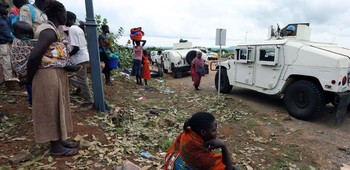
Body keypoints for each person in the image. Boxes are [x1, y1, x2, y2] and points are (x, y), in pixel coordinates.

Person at [26, 0, 78, 156]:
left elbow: (52, 55)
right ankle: (56, 147)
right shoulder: (48, 31)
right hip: (47, 76)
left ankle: (60, 139)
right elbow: (35, 56)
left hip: (54, 74)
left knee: (58, 107)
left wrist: (66, 66)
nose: (65, 16)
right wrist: (29, 79)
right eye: (64, 12)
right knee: (50, 109)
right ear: (58, 13)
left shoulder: (54, 30)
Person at [164, 112, 238, 170]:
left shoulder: (188, 133)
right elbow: (229, 168)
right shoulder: (203, 159)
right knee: (234, 168)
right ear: (203, 132)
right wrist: (223, 146)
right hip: (180, 164)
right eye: (214, 130)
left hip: (173, 163)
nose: (216, 132)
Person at [13, 0, 48, 109]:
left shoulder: (43, 13)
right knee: (29, 72)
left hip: (40, 47)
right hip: (29, 48)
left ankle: (39, 99)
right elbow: (24, 30)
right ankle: (33, 102)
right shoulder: (27, 9)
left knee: (38, 73)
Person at [65, 11, 93, 107]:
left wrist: (68, 55)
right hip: (83, 56)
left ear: (68, 19)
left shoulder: (72, 29)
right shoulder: (78, 28)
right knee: (77, 77)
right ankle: (79, 90)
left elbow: (76, 47)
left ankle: (88, 100)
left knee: (81, 79)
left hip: (79, 57)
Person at [0, 2, 15, 86]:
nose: (5, 10)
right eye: (3, 8)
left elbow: (9, 31)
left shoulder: (5, 19)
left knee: (10, 63)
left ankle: (12, 81)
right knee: (6, 64)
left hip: (9, 43)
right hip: (3, 44)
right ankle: (9, 83)